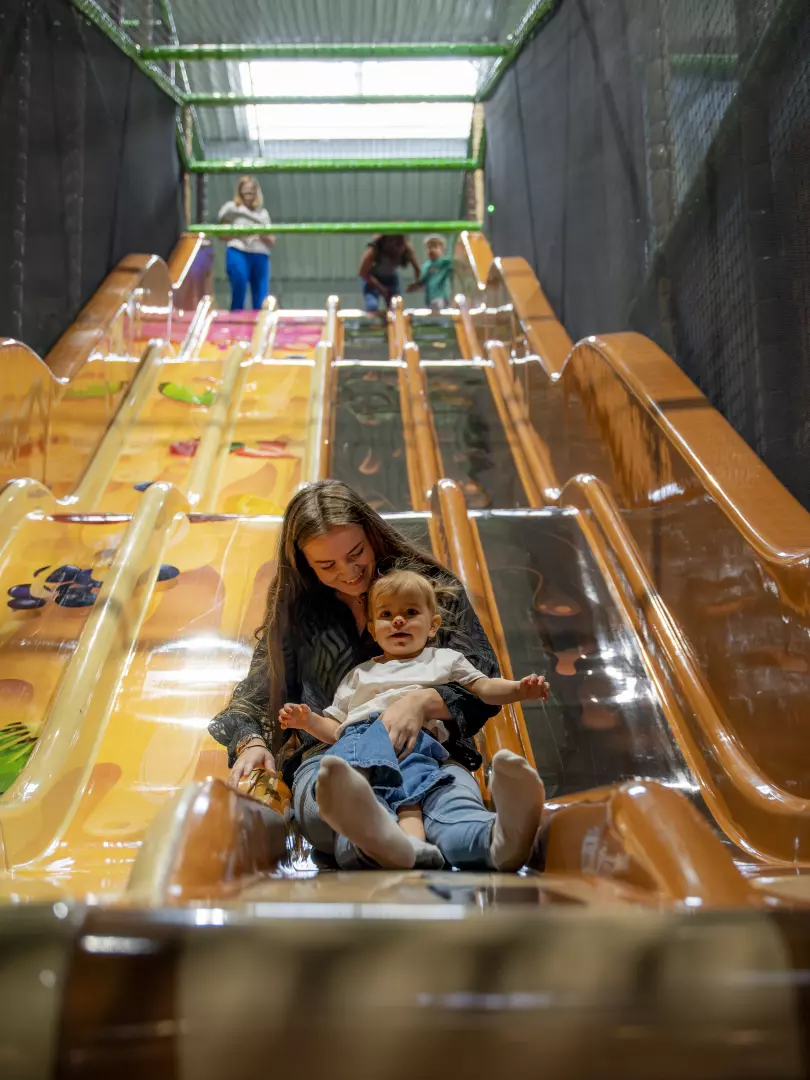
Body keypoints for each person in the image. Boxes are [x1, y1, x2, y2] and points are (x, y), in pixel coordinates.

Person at [208, 479, 548, 872]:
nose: (349, 572)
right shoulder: (298, 612)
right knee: (332, 806)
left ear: (372, 535)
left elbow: (481, 679)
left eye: (356, 554)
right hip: (332, 755)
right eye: (327, 566)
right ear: (305, 564)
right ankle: (379, 836)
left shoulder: (427, 589)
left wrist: (422, 701)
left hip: (430, 751)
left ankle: (497, 838)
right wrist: (251, 742)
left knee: (451, 805)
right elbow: (256, 694)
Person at [278, 566, 548, 869]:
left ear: (433, 626)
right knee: (403, 800)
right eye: (386, 614)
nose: (398, 620)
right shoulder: (360, 674)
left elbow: (483, 688)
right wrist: (309, 722)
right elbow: (337, 729)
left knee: (402, 797)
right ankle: (404, 842)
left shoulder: (445, 659)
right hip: (360, 736)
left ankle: (500, 838)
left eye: (410, 612)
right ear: (372, 629)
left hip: (415, 742)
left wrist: (518, 689)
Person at [217, 176, 275, 311]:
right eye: (245, 190)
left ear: (256, 192)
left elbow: (271, 240)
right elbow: (221, 234)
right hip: (238, 250)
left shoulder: (262, 213)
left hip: (259, 254)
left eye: (251, 190)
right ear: (240, 191)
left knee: (261, 297)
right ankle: (236, 320)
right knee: (239, 286)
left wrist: (258, 232)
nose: (248, 193)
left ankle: (259, 322)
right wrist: (240, 234)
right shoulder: (231, 208)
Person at [358, 234, 421, 317]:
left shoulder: (406, 247)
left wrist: (417, 283)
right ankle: (373, 322)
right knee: (372, 305)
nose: (398, 248)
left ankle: (393, 322)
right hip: (372, 278)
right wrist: (381, 288)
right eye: (394, 243)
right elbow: (363, 273)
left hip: (391, 278)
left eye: (401, 243)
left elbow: (417, 269)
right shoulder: (374, 250)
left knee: (396, 306)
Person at [408, 234, 454, 312]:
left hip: (441, 296)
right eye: (429, 247)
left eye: (435, 247)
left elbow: (453, 259)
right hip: (429, 298)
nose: (431, 250)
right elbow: (422, 280)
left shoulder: (445, 263)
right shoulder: (426, 266)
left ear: (442, 249)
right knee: (432, 312)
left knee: (438, 310)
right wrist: (415, 286)